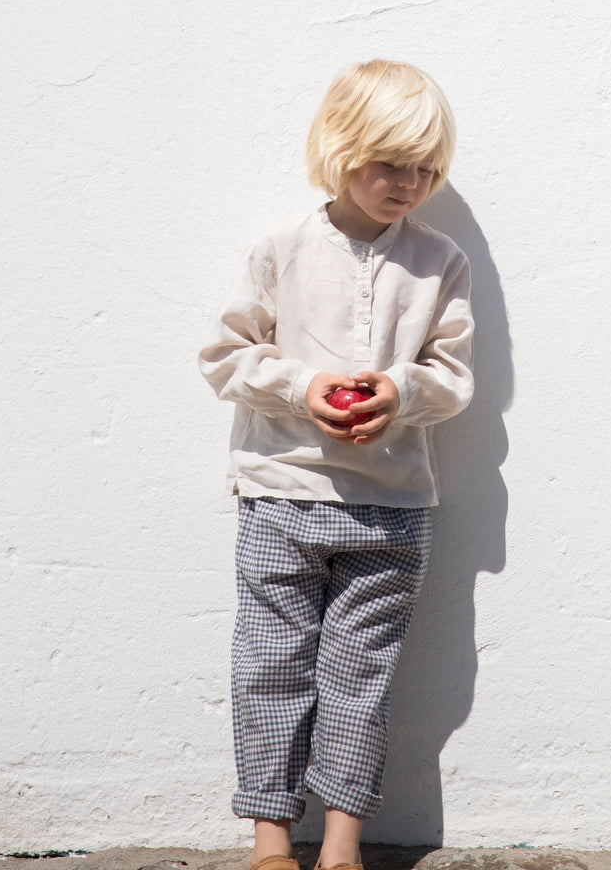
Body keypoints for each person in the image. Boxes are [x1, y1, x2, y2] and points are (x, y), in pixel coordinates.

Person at [199, 59, 474, 870]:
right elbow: (224, 355)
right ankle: (271, 841)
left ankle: (344, 848)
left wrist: (396, 392)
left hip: (391, 510)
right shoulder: (281, 249)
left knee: (361, 680)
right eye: (389, 163)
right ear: (340, 149)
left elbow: (454, 375)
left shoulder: (439, 260)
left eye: (427, 168)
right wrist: (303, 385)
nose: (409, 183)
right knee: (270, 671)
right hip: (280, 497)